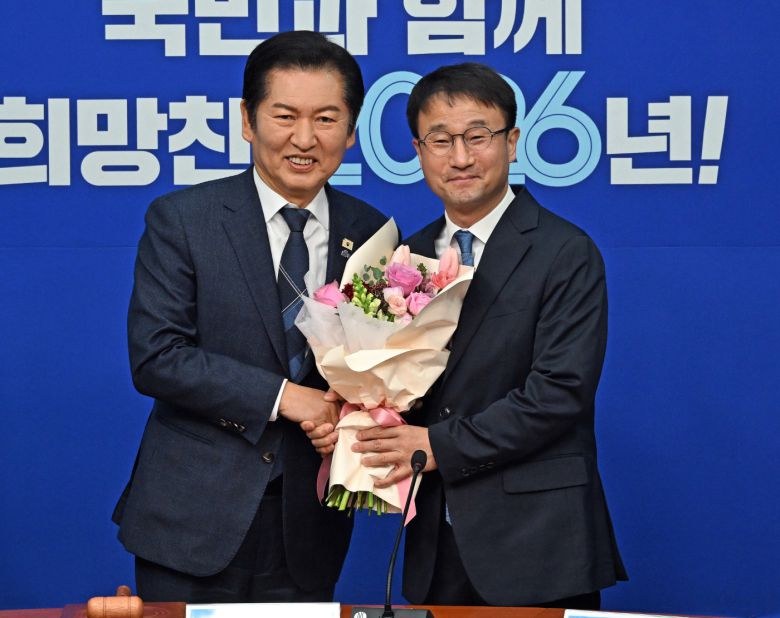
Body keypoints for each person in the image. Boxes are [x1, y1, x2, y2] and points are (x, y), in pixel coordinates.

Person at [314, 62, 627, 607]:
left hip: (538, 540)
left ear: (512, 142)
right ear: (418, 151)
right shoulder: (400, 258)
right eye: (440, 140)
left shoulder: (565, 252)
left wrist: (437, 445)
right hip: (436, 540)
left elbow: (560, 393)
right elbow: (399, 385)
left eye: (477, 136)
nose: (459, 158)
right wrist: (353, 418)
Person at [112, 31, 388, 603]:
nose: (304, 139)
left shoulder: (372, 233)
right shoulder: (184, 219)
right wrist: (288, 398)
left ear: (351, 130)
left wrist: (354, 413)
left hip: (308, 527)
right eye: (285, 116)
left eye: (326, 119)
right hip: (191, 519)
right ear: (247, 119)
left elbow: (381, 365)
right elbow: (158, 357)